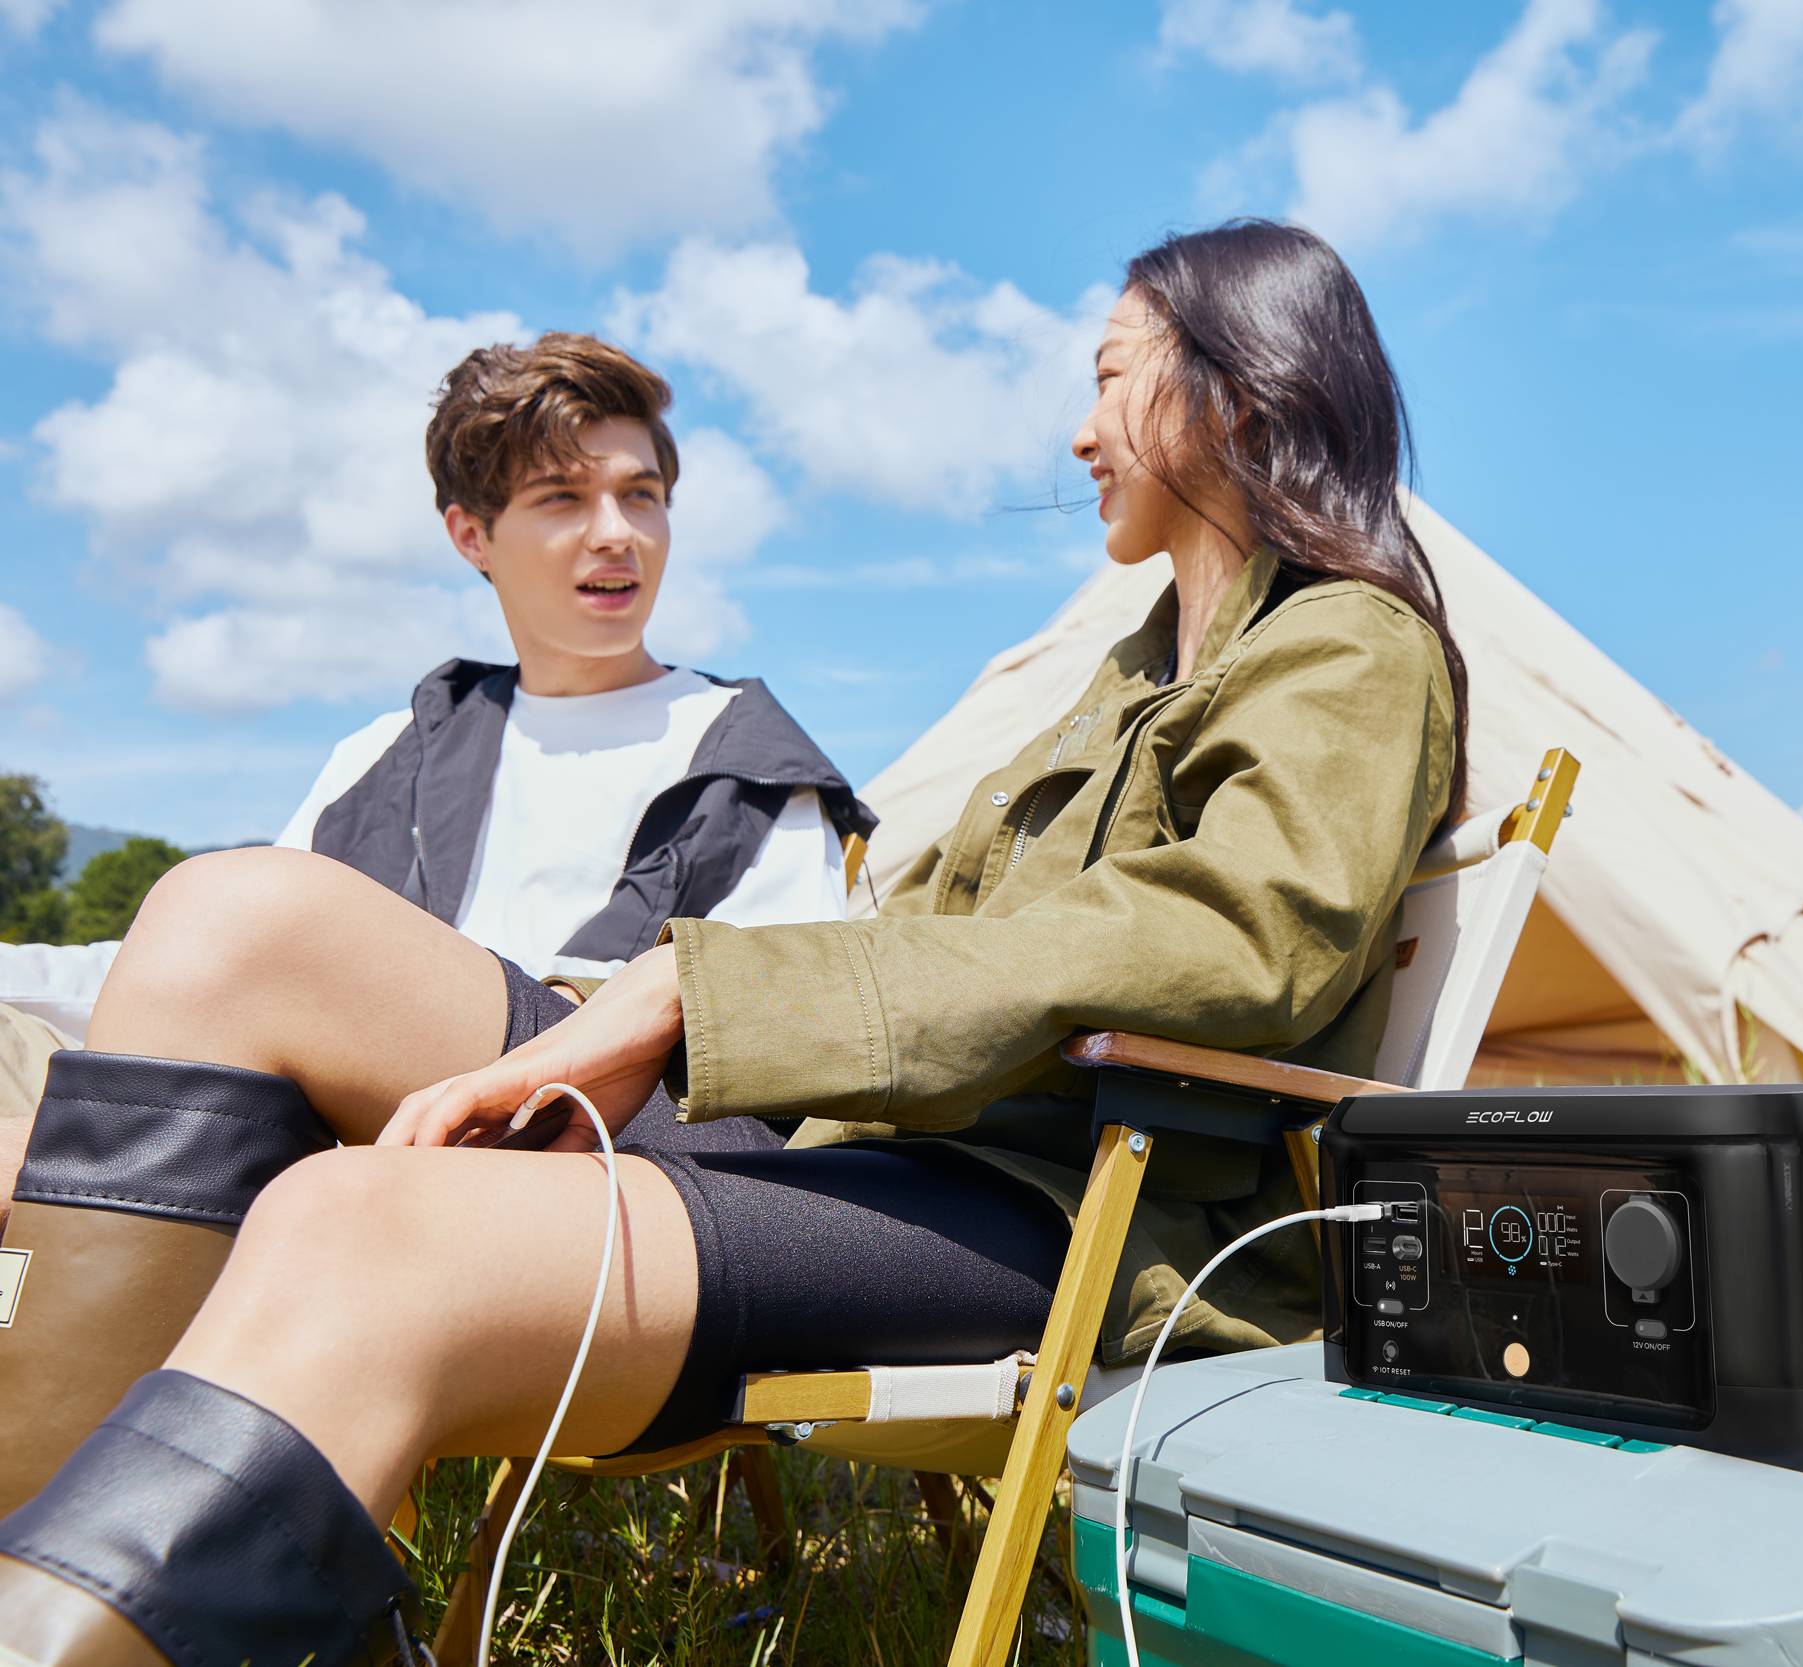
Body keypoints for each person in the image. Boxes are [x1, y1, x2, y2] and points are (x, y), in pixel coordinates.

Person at [0, 219, 1466, 1664]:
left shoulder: (1349, 646)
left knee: (351, 1219)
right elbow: (930, 940)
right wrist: (659, 999)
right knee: (234, 914)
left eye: (1110, 376)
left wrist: (694, 989)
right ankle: (32, 1535)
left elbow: (1234, 935)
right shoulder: (1131, 672)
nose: (1082, 431)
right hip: (841, 1130)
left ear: (1238, 389)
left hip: (1039, 1201)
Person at [0, 332, 869, 1046]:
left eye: (640, 496)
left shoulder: (744, 757)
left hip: (595, 1140)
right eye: (563, 499)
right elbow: (201, 959)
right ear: (472, 536)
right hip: (344, 1121)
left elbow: (784, 1025)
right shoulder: (390, 756)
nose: (617, 535)